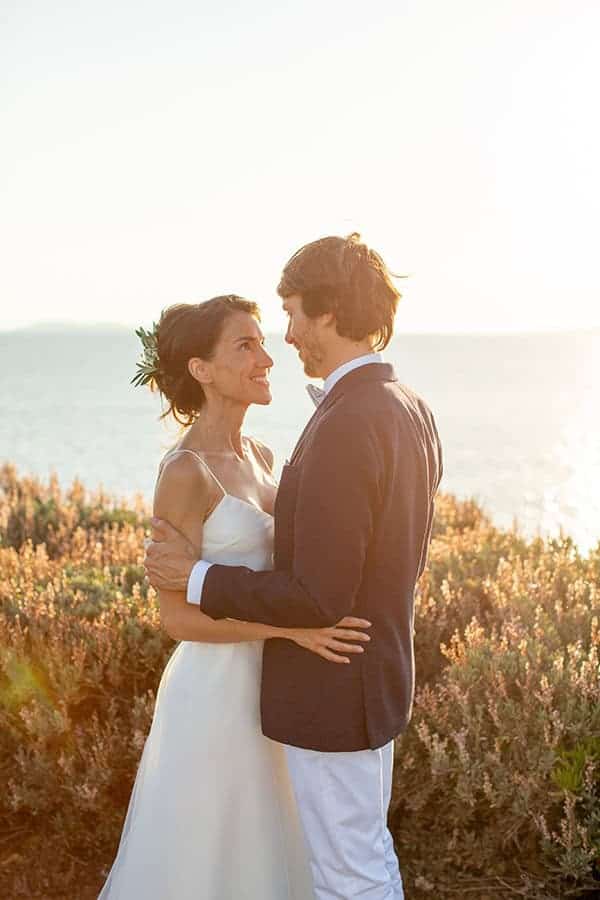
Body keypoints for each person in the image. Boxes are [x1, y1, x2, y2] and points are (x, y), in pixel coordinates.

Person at [146, 234, 444, 900]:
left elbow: (318, 592)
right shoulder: (408, 406)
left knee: (351, 875)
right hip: (347, 684)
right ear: (200, 368)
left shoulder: (343, 423)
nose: (285, 339)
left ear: (329, 313)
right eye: (250, 340)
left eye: (291, 315)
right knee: (344, 862)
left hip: (333, 687)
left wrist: (194, 576)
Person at [98, 295, 372, 900]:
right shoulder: (184, 472)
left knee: (279, 849)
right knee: (213, 856)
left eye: (263, 342)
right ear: (200, 369)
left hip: (277, 688)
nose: (266, 358)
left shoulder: (264, 457)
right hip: (216, 692)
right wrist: (288, 631)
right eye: (245, 346)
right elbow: (176, 618)